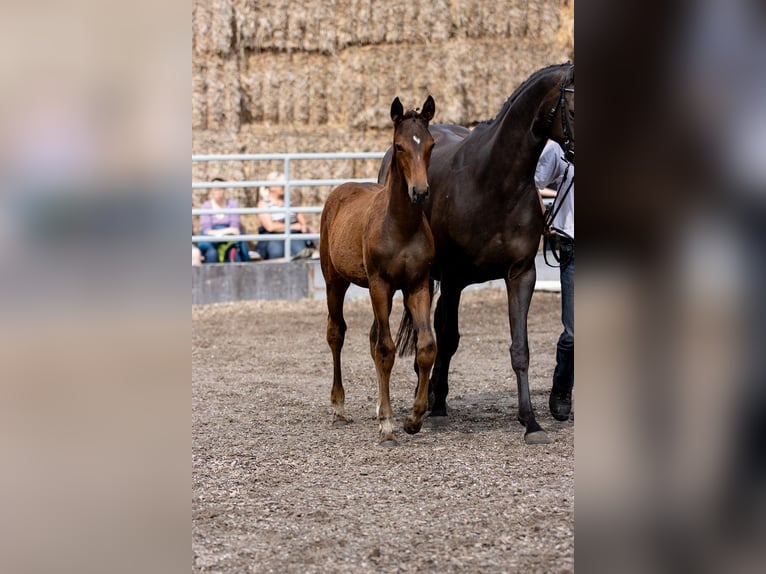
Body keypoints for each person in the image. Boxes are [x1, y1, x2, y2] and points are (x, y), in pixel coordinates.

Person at [535, 140, 574, 421]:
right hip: (574, 243)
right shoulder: (560, 148)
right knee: (574, 332)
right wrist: (543, 217)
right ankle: (562, 387)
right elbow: (533, 182)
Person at [256, 171, 313, 260]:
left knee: (300, 251)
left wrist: (303, 227)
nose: (284, 187)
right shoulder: (263, 204)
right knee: (276, 251)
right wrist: (293, 226)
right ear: (272, 187)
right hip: (274, 235)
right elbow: (270, 227)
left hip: (293, 234)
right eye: (281, 185)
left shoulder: (290, 202)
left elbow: (301, 219)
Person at [197, 178, 251, 263]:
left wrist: (221, 232)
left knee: (234, 254)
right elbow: (207, 230)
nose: (217, 191)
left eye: (220, 188)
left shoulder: (233, 204)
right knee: (212, 254)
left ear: (224, 190)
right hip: (212, 240)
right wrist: (226, 231)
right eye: (214, 189)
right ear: (211, 191)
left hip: (229, 239)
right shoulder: (206, 206)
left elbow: (235, 227)